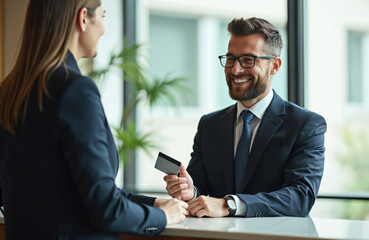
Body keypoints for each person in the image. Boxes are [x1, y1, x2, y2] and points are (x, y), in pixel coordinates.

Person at [0, 0, 187, 239]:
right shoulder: (75, 90)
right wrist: (163, 217)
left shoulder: (9, 92)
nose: (104, 28)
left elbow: (77, 192)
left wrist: (155, 204)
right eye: (103, 16)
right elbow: (106, 209)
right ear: (83, 18)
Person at [164, 17, 326, 218]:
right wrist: (190, 191)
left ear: (275, 66)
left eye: (248, 60)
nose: (235, 69)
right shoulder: (209, 125)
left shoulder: (305, 125)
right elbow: (199, 185)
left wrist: (230, 205)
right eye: (230, 59)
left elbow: (300, 196)